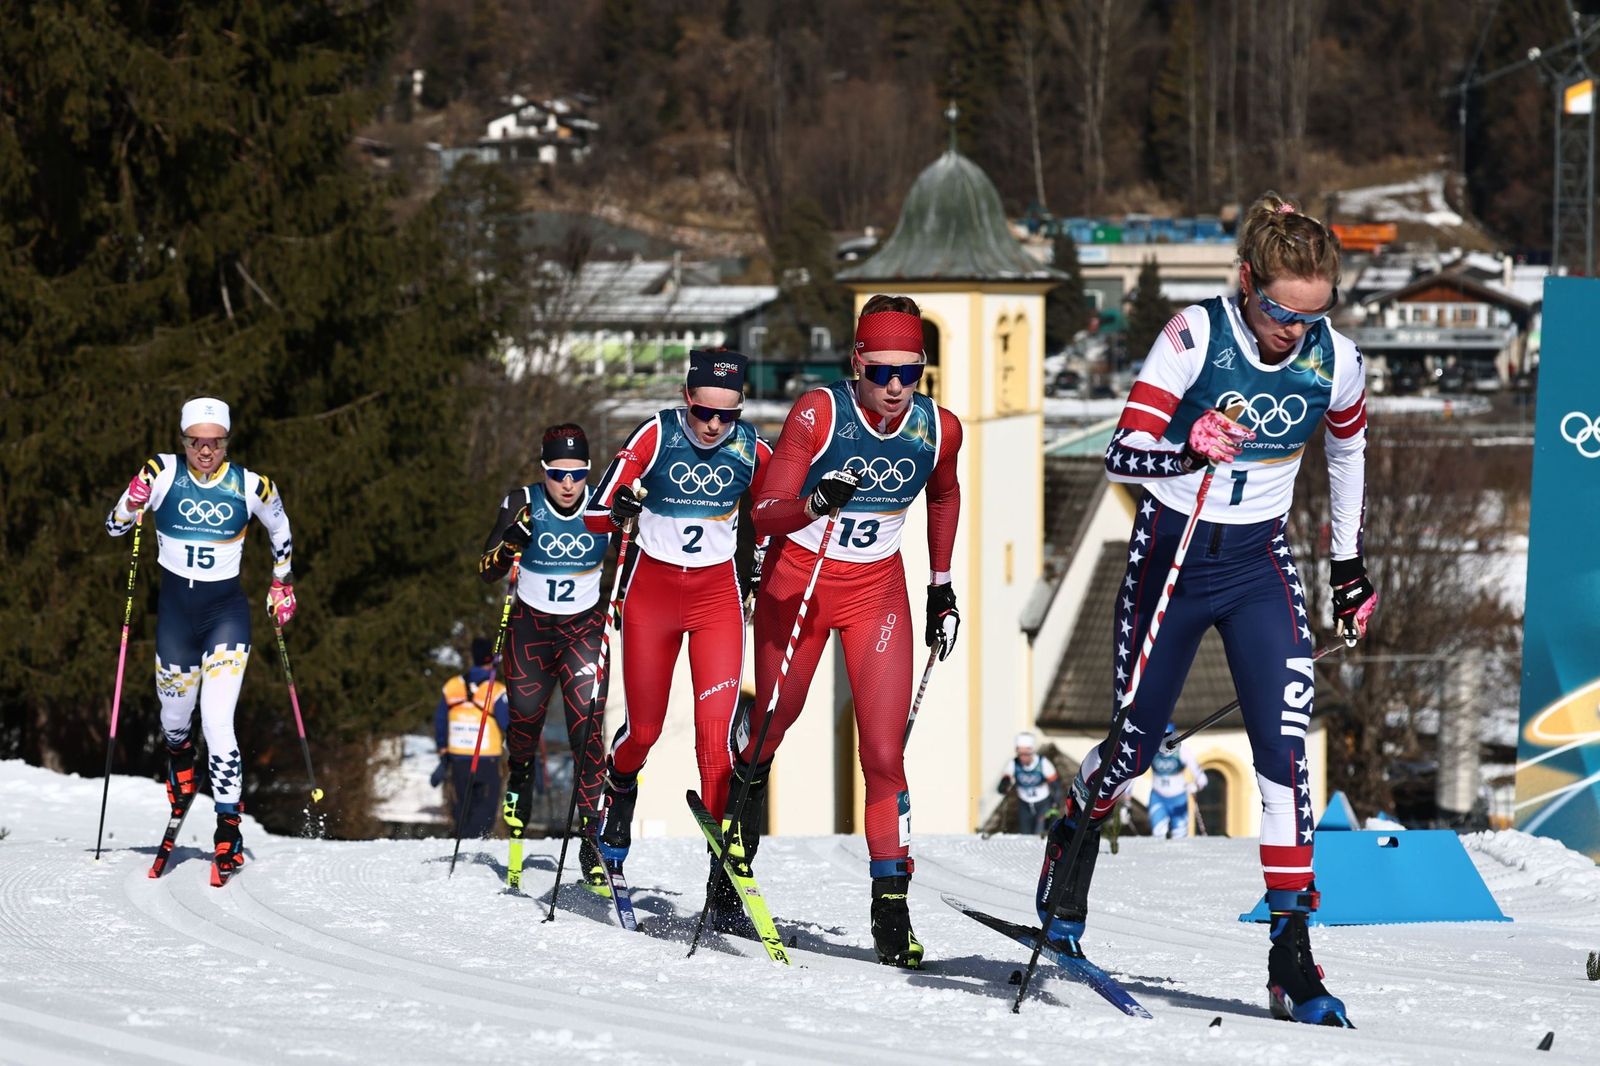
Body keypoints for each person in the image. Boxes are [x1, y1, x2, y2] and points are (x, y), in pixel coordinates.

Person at [1032, 193, 1376, 1026]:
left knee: (1285, 759)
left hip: (1258, 562)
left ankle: (1291, 957)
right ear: (1246, 281)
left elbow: (1347, 448)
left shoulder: (1336, 358)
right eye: (1278, 311)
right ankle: (1074, 829)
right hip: (1171, 558)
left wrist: (1349, 568)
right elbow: (1122, 451)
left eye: (1313, 314)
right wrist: (1186, 444)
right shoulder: (1194, 336)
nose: (1294, 331)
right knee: (1134, 748)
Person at [731, 295, 963, 969]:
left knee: (885, 754)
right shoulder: (819, 412)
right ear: (856, 363)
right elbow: (768, 512)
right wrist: (813, 502)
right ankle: (732, 856)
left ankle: (891, 911)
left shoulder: (938, 429)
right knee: (776, 723)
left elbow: (945, 493)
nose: (894, 388)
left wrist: (940, 586)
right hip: (799, 580)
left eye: (910, 372)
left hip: (876, 591)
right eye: (881, 372)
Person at [583, 351, 772, 915]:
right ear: (686, 399)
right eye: (703, 411)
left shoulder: (751, 448)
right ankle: (614, 811)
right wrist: (620, 508)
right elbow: (596, 512)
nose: (713, 425)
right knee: (645, 731)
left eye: (727, 414)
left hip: (717, 600)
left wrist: (765, 559)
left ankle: (723, 879)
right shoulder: (657, 433)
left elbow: (779, 510)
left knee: (716, 745)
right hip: (653, 597)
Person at [105, 397, 295, 881]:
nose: (205, 451)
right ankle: (178, 758)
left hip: (225, 618)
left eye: (214, 443)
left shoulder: (251, 485)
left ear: (225, 443)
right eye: (196, 442)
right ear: (184, 441)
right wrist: (130, 501)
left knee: (217, 722)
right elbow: (114, 527)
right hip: (174, 620)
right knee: (174, 720)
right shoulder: (161, 473)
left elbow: (280, 527)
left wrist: (282, 582)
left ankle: (228, 831)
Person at [479, 423, 612, 888]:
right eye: (558, 474)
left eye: (577, 473)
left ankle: (591, 842)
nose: (568, 484)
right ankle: (518, 791)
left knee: (588, 735)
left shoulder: (606, 500)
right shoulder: (521, 501)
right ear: (544, 470)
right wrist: (510, 544)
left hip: (584, 632)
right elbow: (486, 571)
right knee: (524, 733)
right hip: (531, 633)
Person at [433, 637, 511, 839]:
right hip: (486, 758)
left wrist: (442, 748)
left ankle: (461, 837)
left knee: (463, 805)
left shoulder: (452, 685)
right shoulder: (496, 689)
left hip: (458, 757)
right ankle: (473, 843)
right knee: (485, 807)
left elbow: (440, 719)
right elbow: (507, 723)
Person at [1147, 723, 1208, 839]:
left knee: (1179, 835)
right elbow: (1134, 771)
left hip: (1178, 799)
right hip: (1158, 797)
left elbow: (1202, 778)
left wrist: (1196, 785)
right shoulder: (1151, 749)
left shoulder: (1183, 751)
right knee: (1157, 833)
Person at [997, 732, 1060, 836]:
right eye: (1020, 754)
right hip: (1024, 804)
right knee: (1025, 835)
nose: (1023, 758)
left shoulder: (1043, 763)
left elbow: (1056, 786)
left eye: (1026, 754)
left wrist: (1055, 806)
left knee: (1038, 834)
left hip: (1043, 804)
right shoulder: (1014, 763)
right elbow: (1005, 780)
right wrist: (1004, 784)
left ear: (1032, 751)